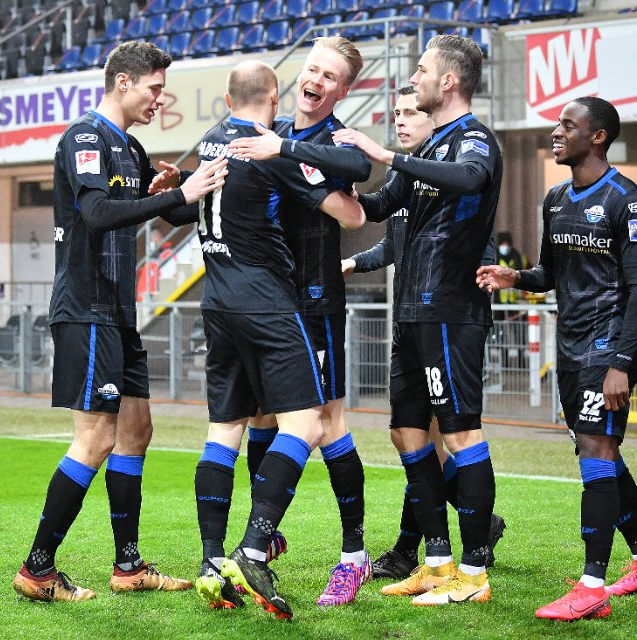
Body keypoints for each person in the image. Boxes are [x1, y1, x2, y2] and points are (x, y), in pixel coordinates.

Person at [12, 41, 229, 603]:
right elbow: (97, 213)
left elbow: (169, 209)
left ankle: (128, 566)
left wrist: (183, 188)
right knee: (97, 437)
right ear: (124, 81)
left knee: (137, 431)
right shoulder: (85, 137)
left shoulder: (130, 148)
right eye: (155, 88)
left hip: (118, 314)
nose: (160, 98)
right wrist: (176, 194)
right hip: (85, 310)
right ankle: (37, 570)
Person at [476, 97, 637, 621]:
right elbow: (551, 273)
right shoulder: (556, 197)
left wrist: (622, 362)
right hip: (570, 346)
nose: (556, 132)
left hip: (608, 349)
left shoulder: (631, 203)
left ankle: (592, 586)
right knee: (599, 450)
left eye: (568, 125)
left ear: (598, 136)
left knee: (596, 452)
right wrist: (514, 277)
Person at [187, 60, 366, 619]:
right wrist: (298, 160)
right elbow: (352, 212)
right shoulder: (268, 147)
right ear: (275, 94)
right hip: (267, 301)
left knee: (226, 428)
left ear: (226, 96)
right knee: (311, 422)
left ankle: (212, 561)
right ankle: (255, 545)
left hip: (215, 300)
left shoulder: (209, 142)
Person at [333, 34, 502, 606]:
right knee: (407, 432)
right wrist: (320, 173)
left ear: (449, 81)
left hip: (450, 308)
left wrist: (386, 156)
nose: (416, 77)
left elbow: (471, 180)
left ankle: (475, 574)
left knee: (458, 433)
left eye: (424, 69)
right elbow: (378, 208)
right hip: (412, 312)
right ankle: (435, 561)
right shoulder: (429, 151)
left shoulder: (472, 138)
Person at [493, 231, 528, 305]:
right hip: (497, 299)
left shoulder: (517, 257)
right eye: (503, 244)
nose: (505, 246)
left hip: (514, 299)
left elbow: (526, 270)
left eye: (507, 244)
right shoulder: (494, 257)